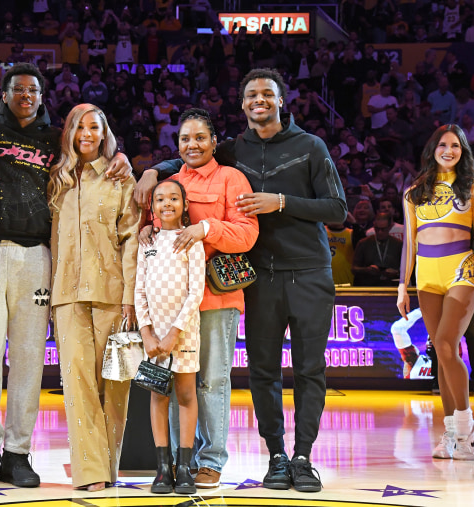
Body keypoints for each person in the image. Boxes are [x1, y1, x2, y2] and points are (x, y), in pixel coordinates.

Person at [135, 69, 346, 492]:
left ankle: (301, 457)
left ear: (282, 100)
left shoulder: (309, 147)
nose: (259, 100)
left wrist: (280, 202)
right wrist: (151, 171)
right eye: (251, 94)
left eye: (267, 93)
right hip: (253, 279)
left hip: (301, 271)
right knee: (260, 373)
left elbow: (337, 209)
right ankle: (271, 458)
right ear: (242, 102)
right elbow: (186, 159)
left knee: (306, 370)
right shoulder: (233, 149)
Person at [0, 63, 131, 489]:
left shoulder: (55, 139)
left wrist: (130, 161)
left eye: (33, 90)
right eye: (17, 89)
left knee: (29, 360)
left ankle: (18, 451)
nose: (25, 95)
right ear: (3, 95)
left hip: (38, 256)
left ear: (41, 96)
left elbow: (97, 147)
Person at [137, 108, 259, 489]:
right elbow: (161, 227)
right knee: (173, 385)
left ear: (213, 141)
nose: (193, 145)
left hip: (216, 299)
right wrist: (146, 230)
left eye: (200, 138)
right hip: (169, 307)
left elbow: (246, 235)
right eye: (185, 139)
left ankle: (211, 460)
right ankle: (177, 461)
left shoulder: (231, 178)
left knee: (212, 383)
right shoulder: (171, 180)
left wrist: (205, 228)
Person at [47, 103, 140, 491]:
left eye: (94, 127)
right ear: (69, 131)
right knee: (77, 384)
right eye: (79, 126)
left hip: (113, 294)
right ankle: (90, 473)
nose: (86, 133)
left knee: (115, 385)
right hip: (66, 294)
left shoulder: (122, 179)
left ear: (105, 134)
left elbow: (132, 241)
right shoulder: (55, 179)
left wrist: (131, 299)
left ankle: (110, 467)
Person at [397, 124, 474, 460]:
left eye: (456, 146)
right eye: (443, 145)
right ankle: (453, 434)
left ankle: (466, 428)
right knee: (442, 353)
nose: (449, 151)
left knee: (447, 344)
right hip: (427, 278)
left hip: (464, 271)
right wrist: (403, 285)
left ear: (464, 152)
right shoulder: (414, 192)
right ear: (432, 148)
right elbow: (410, 242)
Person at [135, 179, 204, 495]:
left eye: (174, 198)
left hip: (184, 333)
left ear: (185, 204)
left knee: (187, 395)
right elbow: (139, 290)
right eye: (160, 199)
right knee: (158, 396)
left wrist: (175, 332)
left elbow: (195, 292)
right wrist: (147, 333)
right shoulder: (146, 241)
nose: (167, 204)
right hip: (155, 338)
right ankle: (163, 470)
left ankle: (185, 467)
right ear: (152, 207)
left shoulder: (191, 241)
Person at [351, 212, 403, 286]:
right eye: (377, 229)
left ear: (390, 227)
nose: (380, 232)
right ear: (374, 226)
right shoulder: (363, 243)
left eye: (383, 229)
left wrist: (396, 272)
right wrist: (367, 270)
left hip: (391, 286)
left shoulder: (398, 244)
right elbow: (354, 268)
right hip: (368, 286)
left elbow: (407, 269)